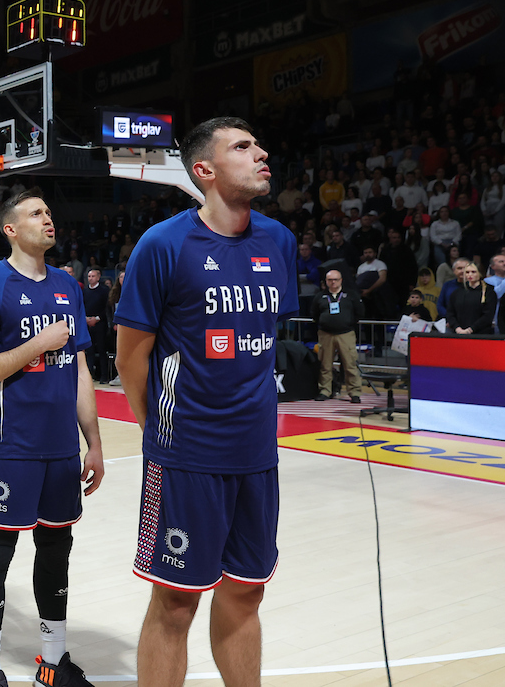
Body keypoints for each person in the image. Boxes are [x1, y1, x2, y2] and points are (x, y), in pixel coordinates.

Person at [113, 117, 298, 687]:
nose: (261, 152)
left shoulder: (279, 241)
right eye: (243, 147)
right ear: (205, 170)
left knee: (246, 593)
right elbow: (129, 360)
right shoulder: (162, 245)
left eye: (258, 143)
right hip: (186, 457)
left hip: (256, 455)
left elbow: (260, 347)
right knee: (176, 604)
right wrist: (162, 435)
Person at [0, 188, 104, 687]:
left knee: (56, 551)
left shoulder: (67, 285)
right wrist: (37, 344)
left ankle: (52, 661)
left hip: (61, 448)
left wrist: (95, 443)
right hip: (9, 446)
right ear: (11, 229)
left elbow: (80, 368)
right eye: (36, 213)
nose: (49, 218)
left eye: (49, 210)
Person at [312, 270, 364, 402]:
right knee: (325, 364)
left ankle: (354, 392)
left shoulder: (350, 295)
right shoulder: (320, 296)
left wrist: (347, 323)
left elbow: (359, 312)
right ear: (326, 282)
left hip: (345, 334)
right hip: (326, 334)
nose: (333, 282)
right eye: (330, 280)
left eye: (335, 279)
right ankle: (325, 390)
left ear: (341, 280)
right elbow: (314, 314)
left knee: (350, 364)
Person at [448, 262, 498, 335]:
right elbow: (450, 312)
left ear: (480, 273)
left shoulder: (489, 292)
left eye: (473, 272)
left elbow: (488, 316)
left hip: (482, 334)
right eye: (467, 272)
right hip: (458, 333)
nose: (470, 275)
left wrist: (471, 329)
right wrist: (457, 328)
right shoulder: (457, 292)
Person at [82, 267, 109, 382]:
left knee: (102, 350)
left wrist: (97, 318)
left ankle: (104, 376)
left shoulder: (104, 290)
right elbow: (81, 306)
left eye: (93, 276)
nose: (91, 278)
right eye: (89, 276)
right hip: (87, 323)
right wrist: (86, 319)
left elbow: (107, 307)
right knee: (89, 351)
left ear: (98, 277)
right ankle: (90, 376)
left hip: (100, 323)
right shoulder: (84, 291)